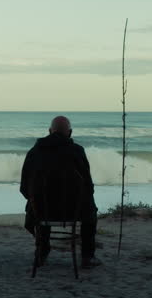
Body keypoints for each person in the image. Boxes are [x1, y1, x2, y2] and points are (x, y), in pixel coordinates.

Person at [20, 115, 100, 268]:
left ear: (50, 131)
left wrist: (36, 200)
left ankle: (42, 251)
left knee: (37, 204)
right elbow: (88, 187)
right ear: (70, 133)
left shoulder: (35, 152)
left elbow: (24, 187)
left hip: (42, 211)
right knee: (91, 211)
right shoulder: (77, 152)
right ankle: (87, 257)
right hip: (73, 211)